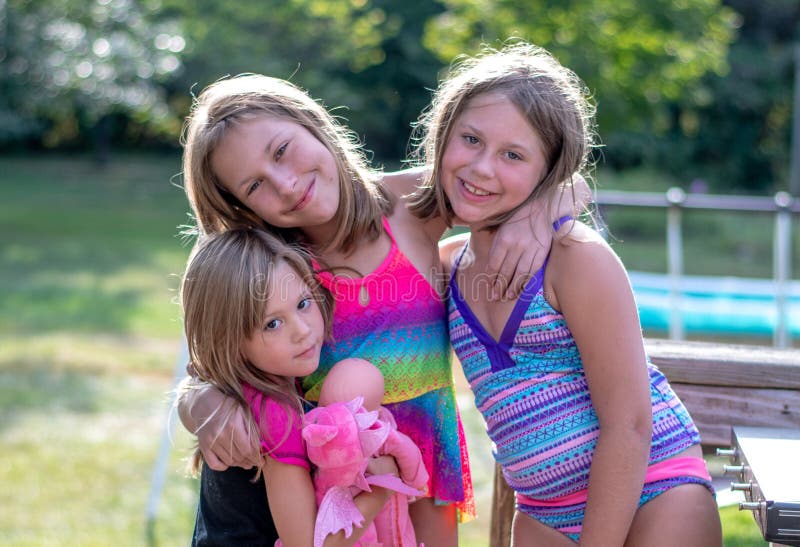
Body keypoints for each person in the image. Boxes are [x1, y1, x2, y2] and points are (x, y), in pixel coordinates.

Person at [176, 73, 583, 546]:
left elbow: (566, 185)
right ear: (239, 206)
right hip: (334, 491)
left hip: (426, 468)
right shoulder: (269, 262)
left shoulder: (414, 204)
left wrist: (539, 213)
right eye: (254, 186)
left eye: (282, 150)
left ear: (311, 123)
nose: (286, 185)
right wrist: (200, 399)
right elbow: (213, 360)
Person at [408, 41, 723, 546]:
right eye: (469, 139)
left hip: (655, 489)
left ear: (549, 172)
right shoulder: (444, 268)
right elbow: (357, 205)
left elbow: (631, 425)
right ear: (441, 136)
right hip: (542, 513)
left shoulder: (574, 259)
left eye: (513, 155)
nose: (483, 167)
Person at [180, 228, 398, 546]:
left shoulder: (250, 389)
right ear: (230, 342)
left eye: (303, 303)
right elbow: (309, 544)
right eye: (273, 324)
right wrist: (383, 486)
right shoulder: (274, 414)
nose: (302, 330)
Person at [305, 358, 428, 547]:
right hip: (357, 518)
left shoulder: (382, 435)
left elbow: (407, 452)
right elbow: (409, 453)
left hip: (385, 517)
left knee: (396, 536)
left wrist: (416, 482)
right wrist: (417, 482)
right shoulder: (319, 433)